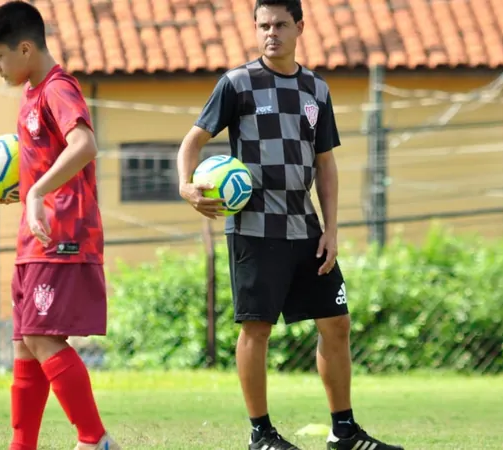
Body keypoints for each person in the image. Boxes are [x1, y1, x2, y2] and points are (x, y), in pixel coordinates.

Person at [176, 1, 404, 449]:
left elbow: (325, 163)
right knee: (256, 329)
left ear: (299, 27)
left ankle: (344, 432)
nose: (271, 33)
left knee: (336, 323)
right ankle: (260, 434)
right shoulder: (236, 84)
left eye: (280, 24)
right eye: (263, 25)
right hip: (254, 229)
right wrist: (186, 185)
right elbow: (193, 140)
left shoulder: (315, 88)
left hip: (307, 228)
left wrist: (332, 229)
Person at [0, 2, 120, 449]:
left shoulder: (59, 89)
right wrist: (20, 189)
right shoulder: (31, 95)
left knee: (41, 337)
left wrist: (37, 194)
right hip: (34, 240)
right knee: (24, 346)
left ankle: (95, 439)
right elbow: (49, 162)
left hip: (62, 237)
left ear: (24, 48)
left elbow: (85, 145)